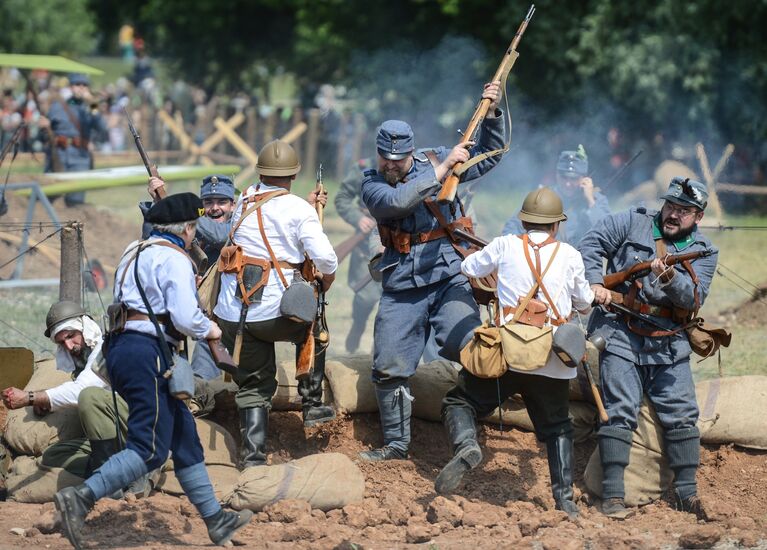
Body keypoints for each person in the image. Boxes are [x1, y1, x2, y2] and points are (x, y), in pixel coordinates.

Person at [53, 192, 252, 548]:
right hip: (148, 353)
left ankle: (216, 520)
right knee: (149, 450)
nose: (194, 235)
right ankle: (80, 497)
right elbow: (185, 317)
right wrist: (212, 330)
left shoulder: (134, 250)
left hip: (124, 349)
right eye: (194, 228)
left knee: (185, 440)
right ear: (187, 228)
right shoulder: (174, 259)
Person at [358, 80, 505, 461]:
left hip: (448, 274)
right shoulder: (372, 184)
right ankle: (396, 445)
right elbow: (400, 201)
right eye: (385, 158)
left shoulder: (434, 158)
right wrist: (442, 169)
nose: (391, 165)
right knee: (389, 364)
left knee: (472, 346)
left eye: (399, 159)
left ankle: (470, 426)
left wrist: (493, 112)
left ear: (411, 152)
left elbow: (488, 155)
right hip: (402, 281)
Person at [436, 187, 593, 518]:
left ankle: (466, 444)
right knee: (557, 428)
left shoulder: (505, 244)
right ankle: (564, 501)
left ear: (523, 221)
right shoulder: (570, 255)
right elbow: (584, 303)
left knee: (459, 402)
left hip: (507, 352)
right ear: (556, 225)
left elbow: (470, 269)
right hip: (551, 356)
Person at [580, 177, 718, 519]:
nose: (673, 214)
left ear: (698, 217)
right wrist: (594, 282)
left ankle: (687, 493)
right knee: (619, 409)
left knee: (683, 413)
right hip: (620, 332)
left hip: (668, 340)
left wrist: (669, 278)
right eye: (671, 206)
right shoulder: (630, 221)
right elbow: (590, 243)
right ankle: (612, 493)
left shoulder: (706, 251)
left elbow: (693, 299)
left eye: (684, 211)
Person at [213, 140, 338, 466]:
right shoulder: (298, 209)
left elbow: (271, 214)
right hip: (276, 314)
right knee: (315, 328)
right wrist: (325, 280)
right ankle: (312, 403)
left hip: (234, 316)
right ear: (294, 174)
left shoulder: (243, 200)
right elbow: (326, 258)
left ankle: (252, 458)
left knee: (254, 385)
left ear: (261, 172)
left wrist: (305, 208)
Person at [1, 301, 129, 479]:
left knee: (89, 396)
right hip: (109, 437)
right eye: (62, 342)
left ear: (86, 328)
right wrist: (45, 401)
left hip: (134, 428)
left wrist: (31, 397)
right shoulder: (83, 363)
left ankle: (111, 474)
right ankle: (115, 467)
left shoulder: (105, 349)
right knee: (53, 455)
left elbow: (83, 390)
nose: (69, 346)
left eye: (71, 336)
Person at [503, 147, 610, 245]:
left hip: (581, 260)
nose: (568, 184)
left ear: (584, 178)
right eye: (564, 177)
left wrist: (590, 201)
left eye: (573, 179)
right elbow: (513, 226)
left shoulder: (595, 199)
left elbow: (607, 231)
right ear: (557, 175)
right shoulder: (542, 196)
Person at [334, 157, 381, 352]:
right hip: (365, 248)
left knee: (390, 308)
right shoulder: (363, 169)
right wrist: (358, 218)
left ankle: (379, 351)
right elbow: (342, 198)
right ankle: (358, 325)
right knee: (365, 299)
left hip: (398, 245)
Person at [38, 73, 106, 206]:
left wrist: (92, 103)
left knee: (75, 201)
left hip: (80, 159)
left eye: (84, 85)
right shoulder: (57, 107)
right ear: (71, 87)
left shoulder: (91, 108)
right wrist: (44, 127)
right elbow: (43, 137)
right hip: (58, 157)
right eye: (77, 84)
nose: (81, 88)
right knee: (50, 199)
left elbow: (102, 128)